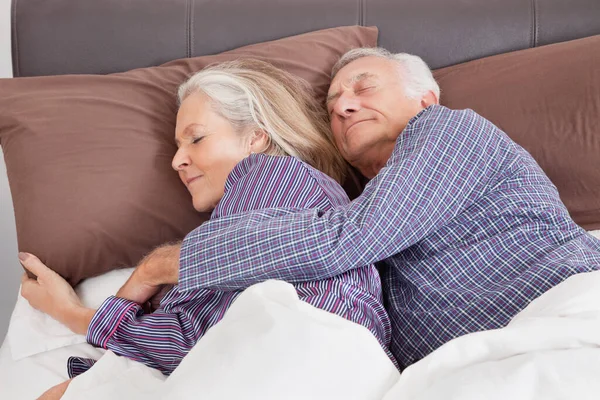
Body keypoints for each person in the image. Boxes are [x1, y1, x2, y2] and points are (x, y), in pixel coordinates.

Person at [110, 47, 600, 370]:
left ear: (425, 98)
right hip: (469, 370)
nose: (343, 106)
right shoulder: (337, 202)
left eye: (363, 88)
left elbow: (349, 238)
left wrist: (167, 264)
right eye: (331, 103)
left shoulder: (448, 131)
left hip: (564, 315)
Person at [20, 59, 395, 396]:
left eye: (196, 138)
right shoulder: (289, 206)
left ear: (256, 137)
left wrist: (75, 313)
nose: (177, 161)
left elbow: (195, 336)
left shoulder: (270, 173)